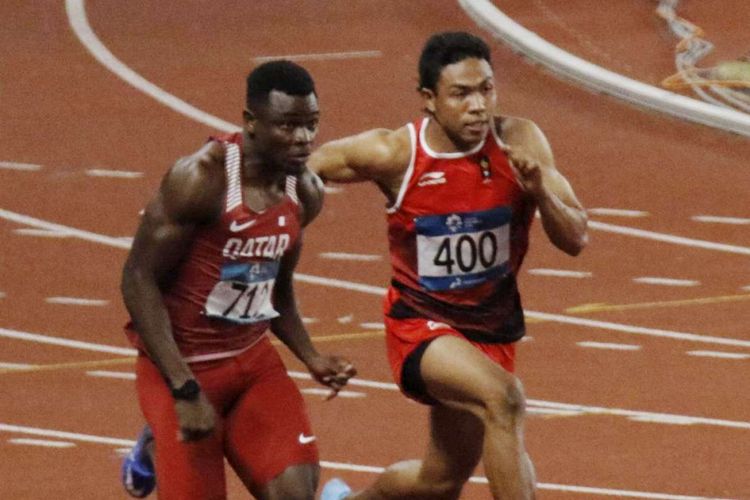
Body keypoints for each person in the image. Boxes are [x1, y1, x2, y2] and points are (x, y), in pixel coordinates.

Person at [316, 31, 588, 499]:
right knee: (504, 400)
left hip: (491, 330)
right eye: (461, 94)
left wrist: (540, 190)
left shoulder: (520, 141)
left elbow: (576, 238)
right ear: (429, 99)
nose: (478, 105)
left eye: (486, 89)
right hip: (420, 326)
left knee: (438, 482)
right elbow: (308, 165)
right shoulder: (396, 153)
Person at [119, 60, 356, 500]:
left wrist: (310, 355)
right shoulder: (200, 181)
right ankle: (154, 446)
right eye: (287, 126)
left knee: (295, 495)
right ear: (250, 123)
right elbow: (137, 279)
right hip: (182, 368)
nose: (303, 139)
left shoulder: (304, 191)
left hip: (252, 365)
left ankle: (157, 446)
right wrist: (183, 389)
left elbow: (275, 286)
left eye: (311, 125)